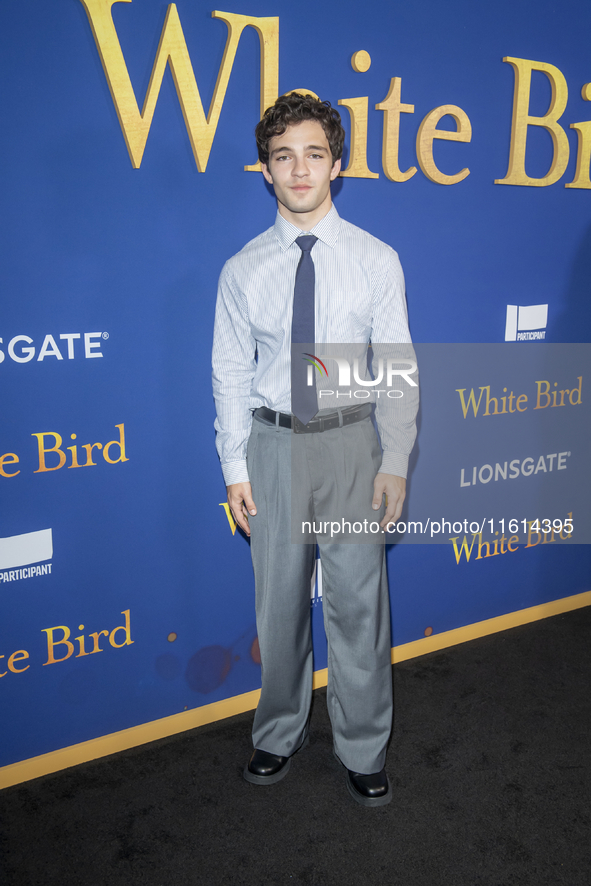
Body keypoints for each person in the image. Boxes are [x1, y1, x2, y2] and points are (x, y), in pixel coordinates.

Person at [212, 93, 418, 807]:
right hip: (271, 448)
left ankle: (364, 745)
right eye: (282, 156)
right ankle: (277, 732)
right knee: (278, 609)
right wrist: (235, 467)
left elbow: (395, 365)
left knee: (360, 606)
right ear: (265, 170)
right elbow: (229, 373)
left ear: (337, 164)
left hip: (351, 447)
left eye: (313, 154)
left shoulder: (374, 259)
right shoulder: (242, 269)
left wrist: (393, 459)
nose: (298, 169)